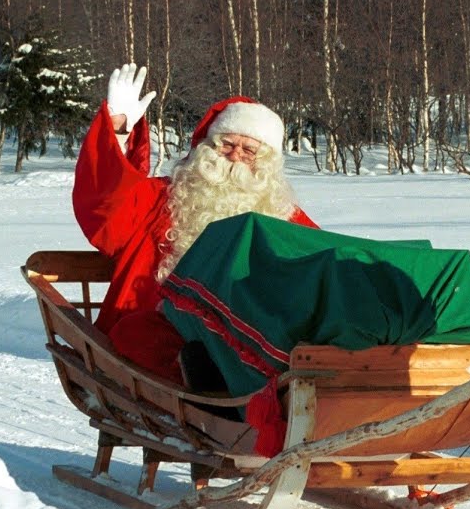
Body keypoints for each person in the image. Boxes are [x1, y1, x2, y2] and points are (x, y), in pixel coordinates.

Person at [73, 62, 318, 383]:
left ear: (267, 162)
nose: (234, 157)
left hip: (251, 336)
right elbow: (105, 208)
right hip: (168, 332)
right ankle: (202, 378)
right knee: (133, 334)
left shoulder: (282, 213)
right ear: (206, 147)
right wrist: (118, 130)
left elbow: (321, 264)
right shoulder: (162, 197)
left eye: (249, 150)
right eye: (226, 144)